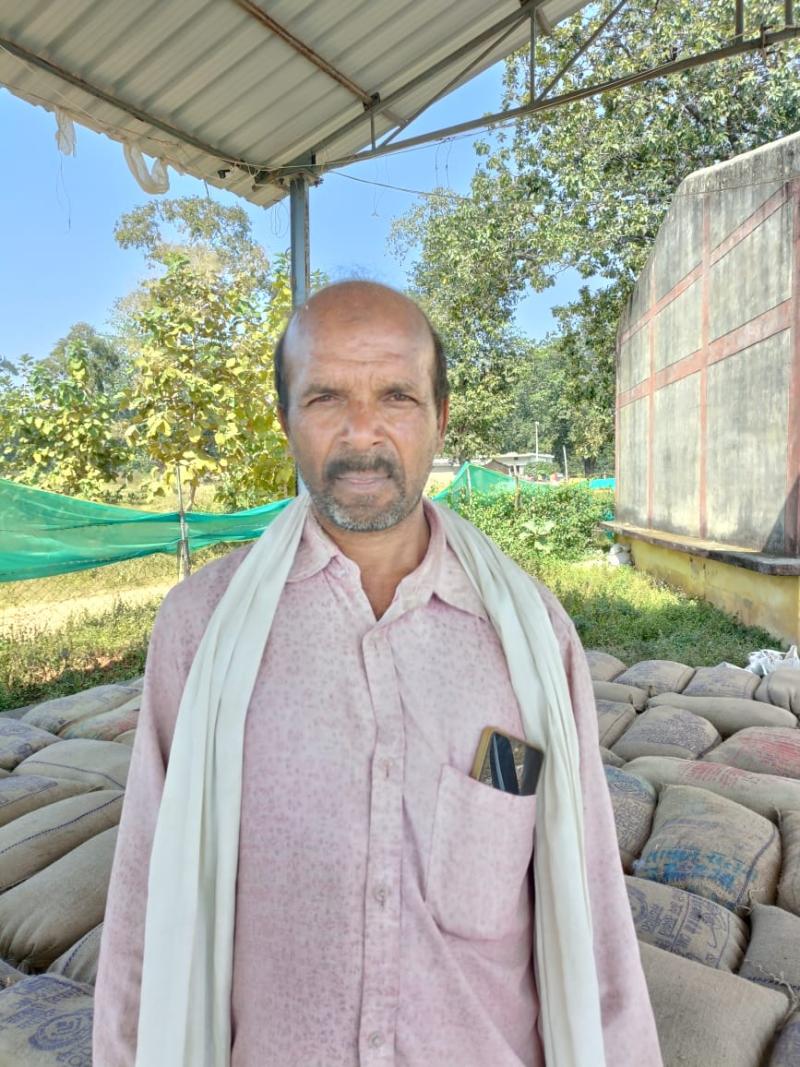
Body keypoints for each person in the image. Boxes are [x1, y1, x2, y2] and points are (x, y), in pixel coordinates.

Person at [93, 281, 661, 1067]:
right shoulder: (201, 632)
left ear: (441, 416)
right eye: (326, 396)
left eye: (396, 395)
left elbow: (589, 908)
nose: (362, 432)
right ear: (285, 418)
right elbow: (144, 909)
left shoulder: (530, 637)